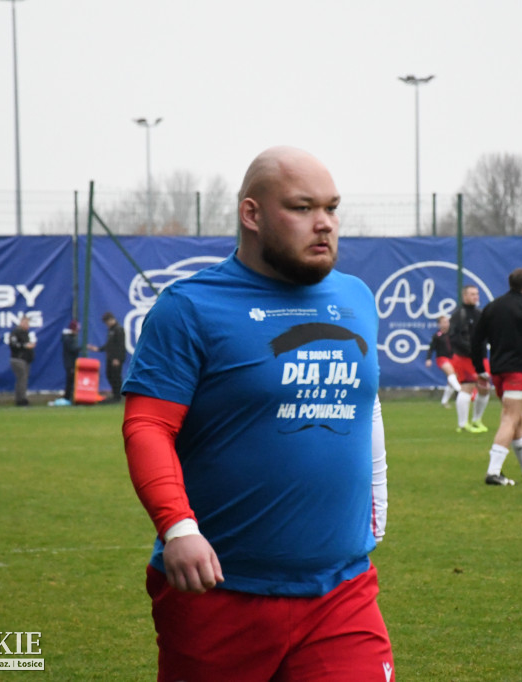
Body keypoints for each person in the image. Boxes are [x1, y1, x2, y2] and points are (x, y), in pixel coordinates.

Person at [121, 146, 394, 681]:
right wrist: (177, 529)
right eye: (302, 207)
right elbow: (148, 425)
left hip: (342, 590)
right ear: (252, 214)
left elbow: (367, 398)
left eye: (332, 209)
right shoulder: (189, 308)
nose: (325, 225)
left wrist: (379, 492)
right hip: (218, 593)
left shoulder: (357, 297)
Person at [470, 268, 522, 487]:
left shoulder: (492, 307)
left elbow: (476, 339)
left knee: (516, 419)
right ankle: (493, 472)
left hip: (498, 371)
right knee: (510, 418)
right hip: (517, 371)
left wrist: (479, 368)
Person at [448, 284, 490, 433]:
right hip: (464, 357)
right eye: (472, 294)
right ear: (464, 296)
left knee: (485, 388)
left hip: (481, 357)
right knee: (467, 386)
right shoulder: (458, 315)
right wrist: (471, 349)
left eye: (477, 294)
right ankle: (463, 424)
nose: (475, 297)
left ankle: (477, 420)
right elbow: (454, 337)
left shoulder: (480, 313)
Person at [87, 311, 126, 403]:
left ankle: (118, 397)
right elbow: (109, 344)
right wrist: (98, 349)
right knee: (109, 375)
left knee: (116, 377)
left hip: (116, 358)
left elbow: (120, 345)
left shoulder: (118, 329)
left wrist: (117, 358)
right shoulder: (111, 330)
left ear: (111, 320)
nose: (106, 324)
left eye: (106, 322)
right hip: (110, 357)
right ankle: (115, 395)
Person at [424, 315, 462, 408]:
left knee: (452, 379)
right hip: (442, 359)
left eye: (447, 321)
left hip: (453, 358)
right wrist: (428, 359)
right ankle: (461, 391)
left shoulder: (452, 334)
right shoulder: (437, 336)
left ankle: (444, 401)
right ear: (439, 324)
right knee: (451, 374)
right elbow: (431, 348)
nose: (446, 324)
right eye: (444, 322)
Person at [8, 315, 35, 406]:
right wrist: (25, 346)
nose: (28, 325)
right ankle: (21, 399)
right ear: (21, 322)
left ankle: (21, 398)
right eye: (26, 323)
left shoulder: (25, 333)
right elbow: (13, 345)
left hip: (25, 360)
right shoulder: (16, 332)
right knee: (22, 379)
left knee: (23, 379)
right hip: (18, 359)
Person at [61, 319, 81, 402]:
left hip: (70, 362)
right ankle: (67, 397)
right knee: (70, 381)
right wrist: (82, 347)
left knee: (71, 380)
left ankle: (69, 397)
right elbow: (72, 349)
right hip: (70, 363)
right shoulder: (68, 338)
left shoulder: (69, 337)